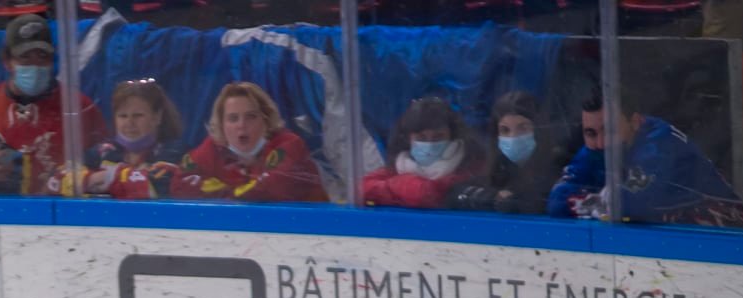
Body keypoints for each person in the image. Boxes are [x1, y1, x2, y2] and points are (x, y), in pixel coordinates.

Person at [0, 14, 104, 196]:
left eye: (42, 57)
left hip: (60, 218)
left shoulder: (79, 108)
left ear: (52, 60)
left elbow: (106, 173)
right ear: (7, 61)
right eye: (25, 57)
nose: (35, 65)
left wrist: (81, 180)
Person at [549, 88, 743, 227]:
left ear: (636, 122)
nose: (601, 143)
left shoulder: (659, 145)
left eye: (609, 130)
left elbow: (631, 205)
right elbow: (556, 200)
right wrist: (601, 203)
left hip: (727, 232)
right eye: (591, 133)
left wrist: (587, 201)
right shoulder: (596, 149)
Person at [173, 81, 329, 204]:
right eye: (233, 118)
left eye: (251, 116)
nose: (241, 125)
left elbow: (269, 191)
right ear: (222, 125)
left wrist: (223, 193)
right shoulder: (213, 149)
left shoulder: (289, 145)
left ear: (266, 120)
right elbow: (179, 185)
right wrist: (233, 194)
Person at [449, 91, 566, 215]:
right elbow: (454, 195)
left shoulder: (558, 167)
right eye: (505, 130)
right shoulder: (495, 168)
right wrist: (494, 197)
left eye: (523, 128)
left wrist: (511, 201)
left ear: (539, 129)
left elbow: (544, 203)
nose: (513, 136)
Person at [67, 78, 186, 200]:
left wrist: (108, 178)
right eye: (123, 116)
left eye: (138, 116)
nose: (129, 123)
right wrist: (89, 179)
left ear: (157, 117)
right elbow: (60, 179)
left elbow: (156, 189)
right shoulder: (104, 151)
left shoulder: (174, 152)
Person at [360, 95, 487, 210]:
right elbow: (361, 189)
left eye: (438, 137)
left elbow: (424, 194)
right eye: (421, 137)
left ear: (452, 137)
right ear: (408, 139)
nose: (430, 143)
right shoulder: (397, 166)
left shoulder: (472, 169)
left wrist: (398, 186)